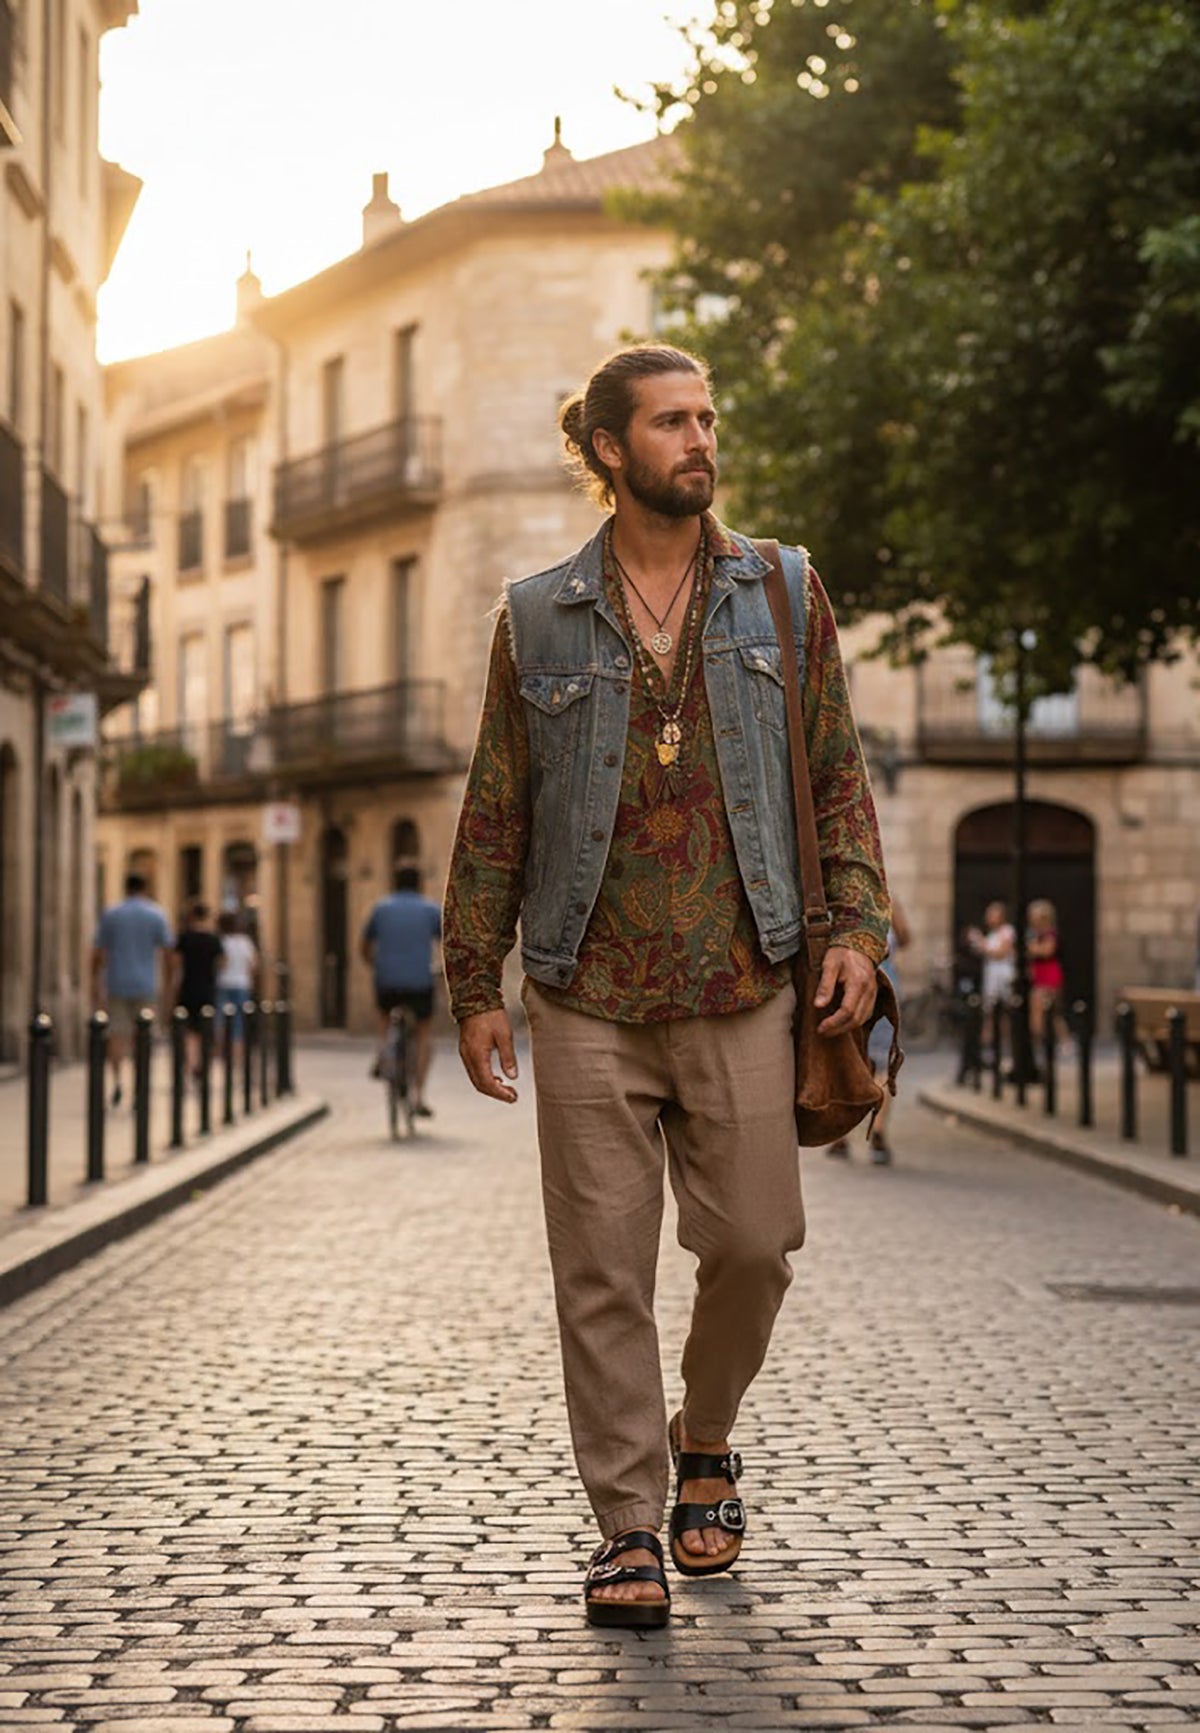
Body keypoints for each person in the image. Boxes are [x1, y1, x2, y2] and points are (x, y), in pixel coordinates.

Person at [443, 344, 890, 1628]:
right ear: (608, 447)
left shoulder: (787, 592)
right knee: (601, 1270)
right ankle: (629, 1523)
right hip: (584, 982)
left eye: (709, 416)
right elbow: (496, 814)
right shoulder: (537, 617)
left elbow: (837, 771)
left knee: (756, 1244)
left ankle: (708, 1431)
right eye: (673, 421)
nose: (701, 439)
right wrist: (478, 979)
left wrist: (855, 922)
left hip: (750, 973)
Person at [827, 898, 910, 1164]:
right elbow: (906, 937)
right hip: (883, 989)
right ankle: (878, 1132)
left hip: (844, 988)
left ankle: (839, 1136)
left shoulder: (839, 899)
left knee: (842, 1064)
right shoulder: (888, 901)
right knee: (882, 1067)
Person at [361, 865, 442, 1115]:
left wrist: (374, 964)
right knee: (424, 1034)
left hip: (387, 981)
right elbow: (447, 942)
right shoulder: (430, 910)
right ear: (419, 883)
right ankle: (418, 1097)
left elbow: (364, 945)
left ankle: (384, 1053)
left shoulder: (380, 909)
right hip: (420, 981)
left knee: (385, 1018)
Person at [91, 872, 174, 1107]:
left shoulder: (112, 914)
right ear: (144, 888)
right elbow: (169, 953)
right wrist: (168, 985)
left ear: (125, 888)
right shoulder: (156, 914)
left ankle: (118, 1082)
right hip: (146, 985)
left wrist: (94, 983)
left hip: (117, 983)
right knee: (143, 1036)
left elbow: (97, 953)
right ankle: (140, 1086)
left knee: (117, 1034)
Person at [171, 901, 225, 1078]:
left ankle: (192, 1062)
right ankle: (202, 1062)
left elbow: (175, 965)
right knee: (205, 1027)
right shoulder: (213, 939)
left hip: (188, 987)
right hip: (208, 987)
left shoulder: (184, 938)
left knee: (188, 1030)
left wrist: (172, 989)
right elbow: (223, 963)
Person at [967, 900, 1016, 1054]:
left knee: (1003, 1010)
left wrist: (981, 943)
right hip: (992, 974)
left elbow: (1001, 953)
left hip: (1003, 974)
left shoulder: (1007, 931)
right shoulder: (992, 934)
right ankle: (989, 1045)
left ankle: (1004, 1044)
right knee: (989, 1011)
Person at [214, 911, 259, 1061]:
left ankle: (219, 1052)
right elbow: (253, 964)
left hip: (223, 982)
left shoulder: (221, 941)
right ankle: (237, 1054)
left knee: (219, 1019)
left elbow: (220, 963)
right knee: (238, 1020)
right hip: (242, 983)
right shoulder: (245, 942)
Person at [1027, 897, 1065, 1050]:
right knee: (1040, 1010)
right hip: (1038, 972)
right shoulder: (1035, 935)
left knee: (1050, 1009)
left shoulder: (1050, 934)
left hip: (1049, 973)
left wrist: (1032, 948)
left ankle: (1060, 1041)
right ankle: (1041, 1040)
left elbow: (1047, 951)